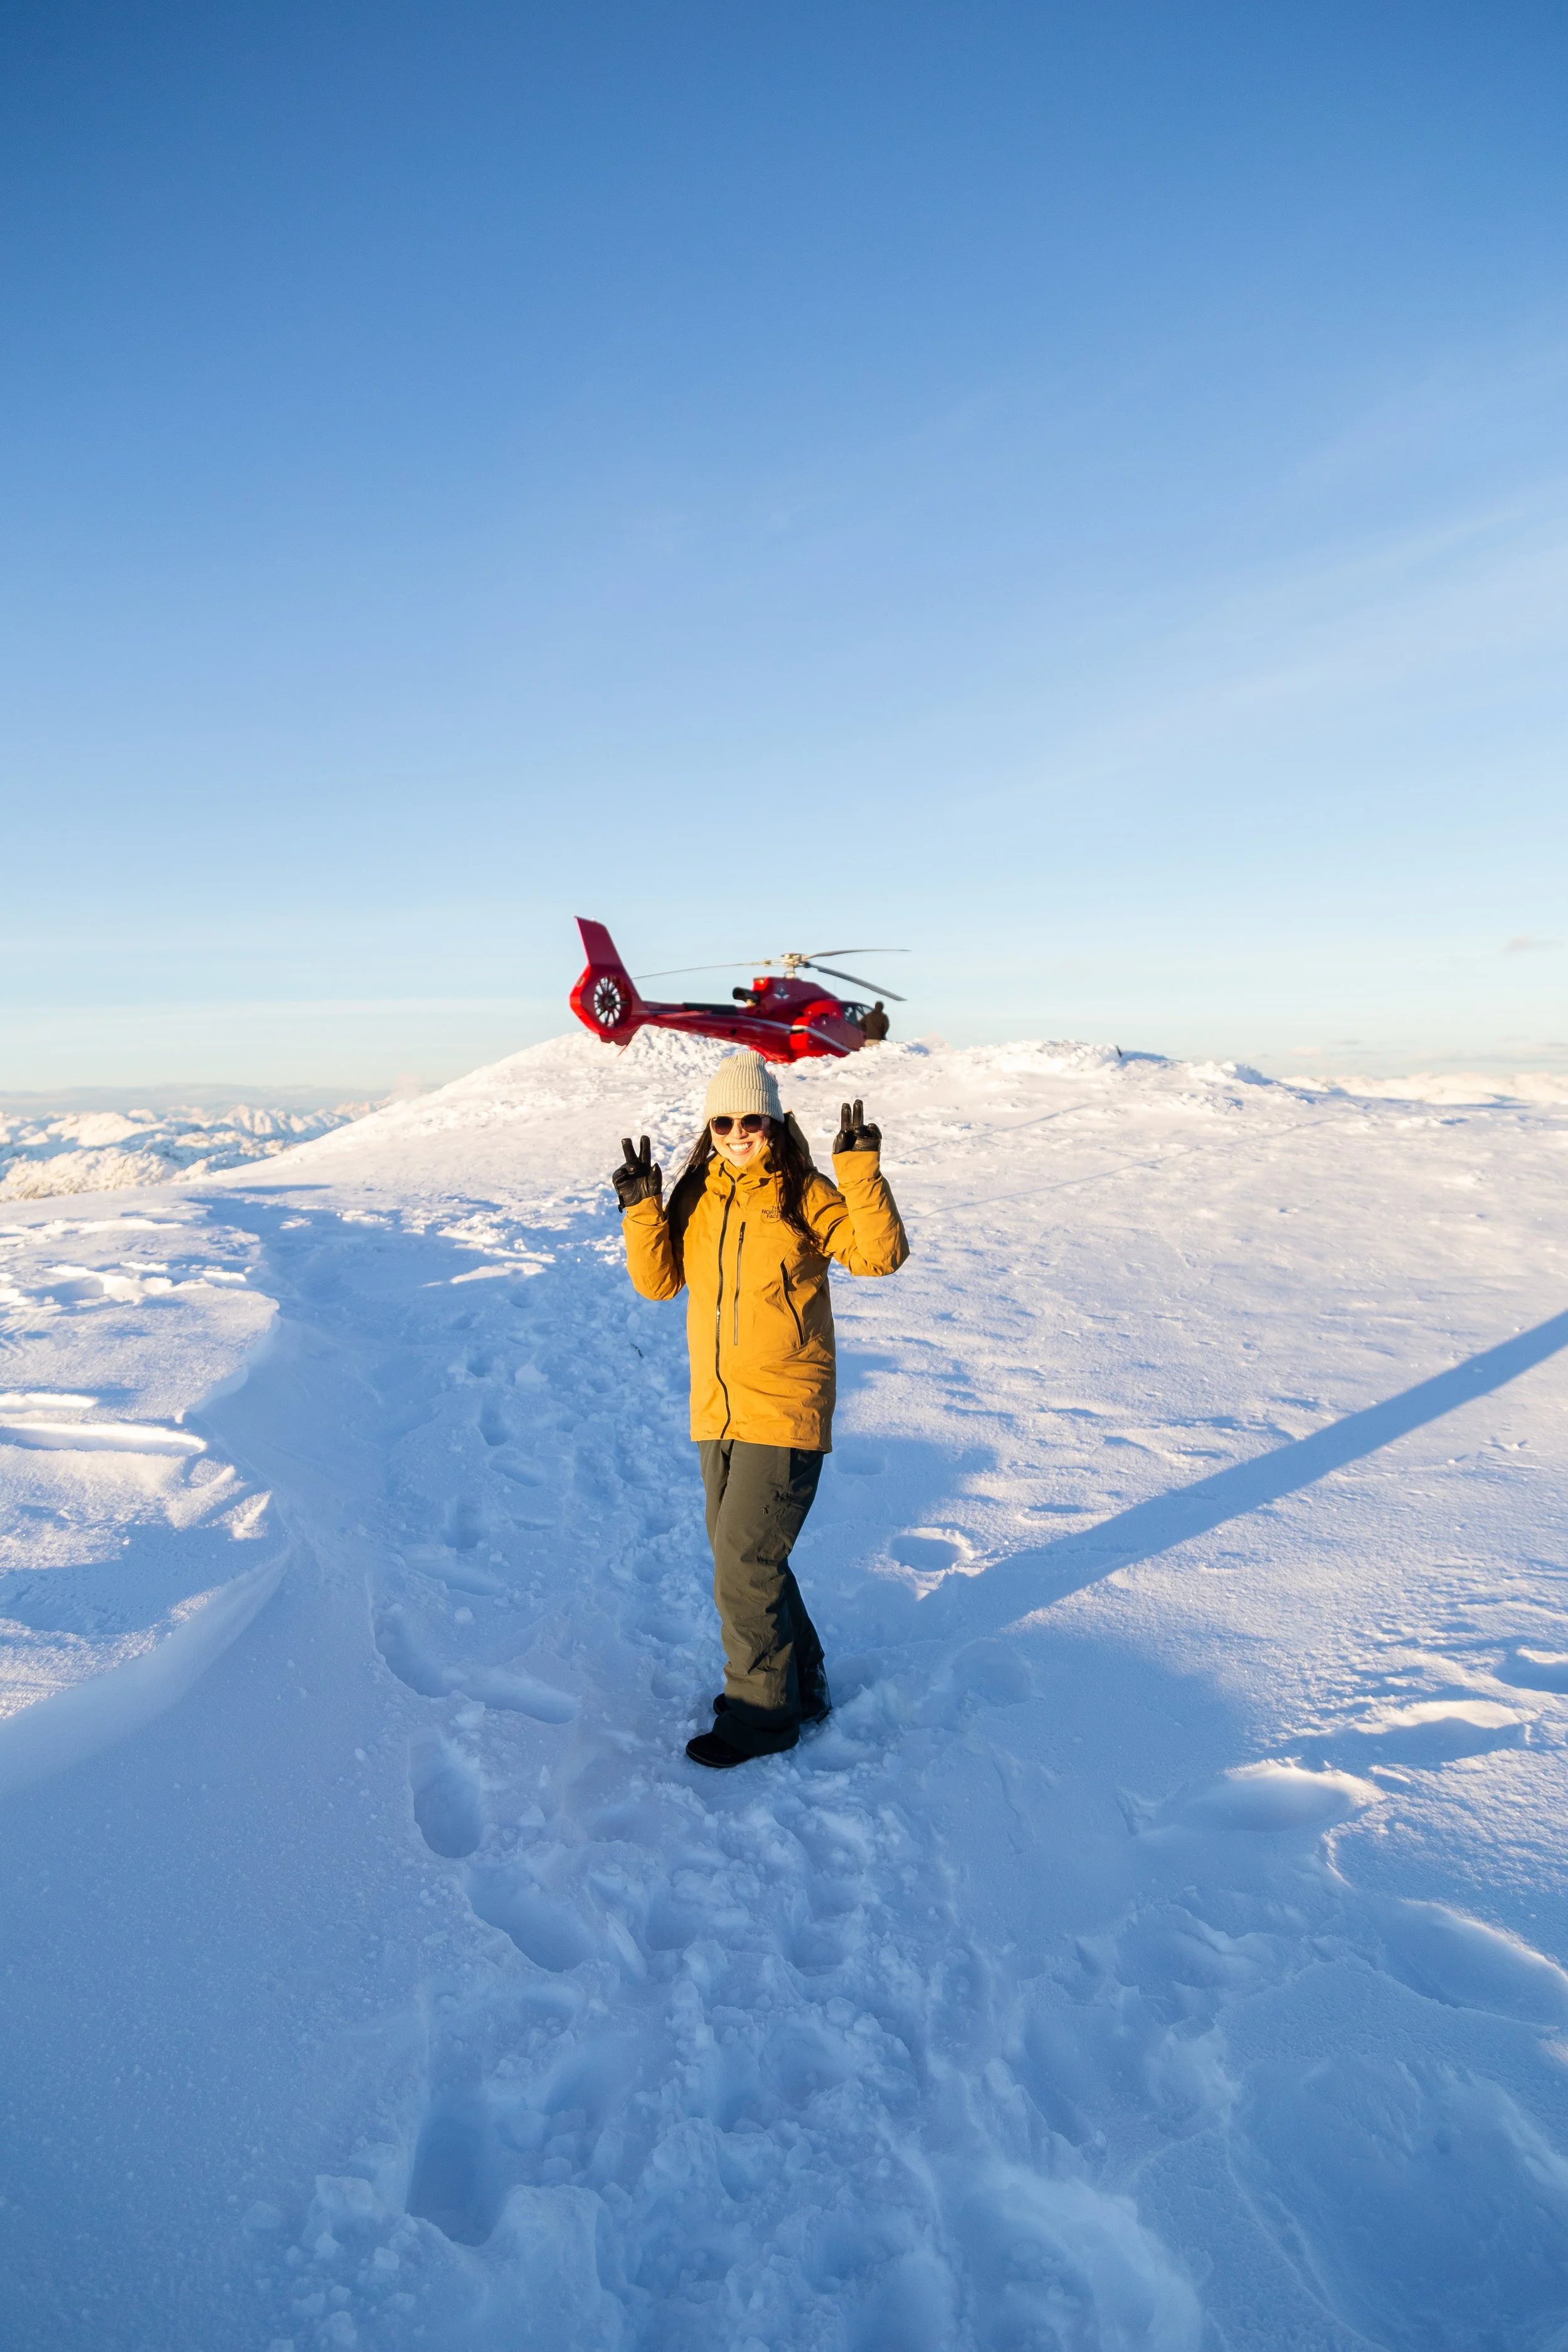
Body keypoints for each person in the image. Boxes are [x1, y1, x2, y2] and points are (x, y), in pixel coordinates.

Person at [612, 1049, 909, 1769]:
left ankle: (761, 1714)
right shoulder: (697, 1193)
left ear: (773, 1123)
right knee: (746, 1558)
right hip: (718, 1409)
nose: (738, 1132)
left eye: (752, 1119)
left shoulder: (803, 1194)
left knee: (744, 1564)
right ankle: (799, 1687)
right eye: (724, 1120)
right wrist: (642, 1208)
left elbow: (880, 1255)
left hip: (785, 1406)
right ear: (709, 1126)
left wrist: (860, 1172)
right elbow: (658, 1285)